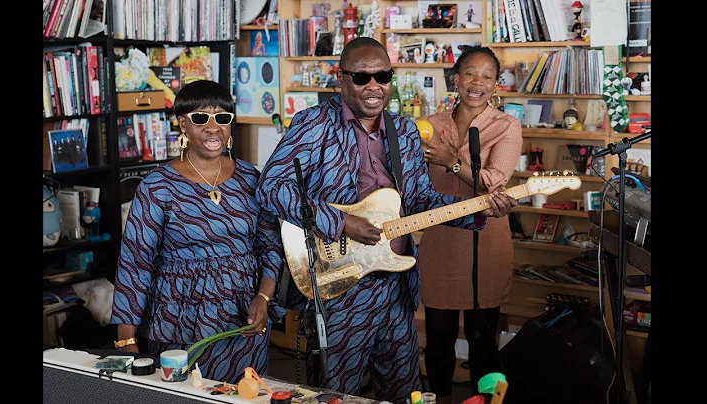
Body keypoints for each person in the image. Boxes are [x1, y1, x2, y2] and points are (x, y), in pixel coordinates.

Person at [255, 38, 517, 402]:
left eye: (383, 76)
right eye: (362, 77)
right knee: (337, 392)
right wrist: (341, 222)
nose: (374, 86)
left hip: (395, 287)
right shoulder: (313, 125)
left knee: (403, 391)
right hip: (339, 284)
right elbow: (270, 187)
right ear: (340, 78)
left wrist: (477, 209)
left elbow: (421, 200)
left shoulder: (405, 131)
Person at [111, 80, 286, 383]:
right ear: (182, 124)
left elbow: (270, 245)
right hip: (181, 319)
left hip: (244, 317)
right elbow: (134, 263)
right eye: (201, 118)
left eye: (222, 118)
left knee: (243, 394)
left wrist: (264, 298)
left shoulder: (250, 178)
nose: (213, 127)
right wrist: (126, 339)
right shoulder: (157, 187)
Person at [418, 46, 523, 402]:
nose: (477, 82)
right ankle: (441, 399)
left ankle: (491, 401)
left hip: (486, 243)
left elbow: (494, 181)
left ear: (496, 84)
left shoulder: (506, 125)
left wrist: (452, 162)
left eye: (487, 76)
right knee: (438, 338)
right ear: (456, 79)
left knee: (483, 342)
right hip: (440, 242)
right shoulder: (430, 126)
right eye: (469, 74)